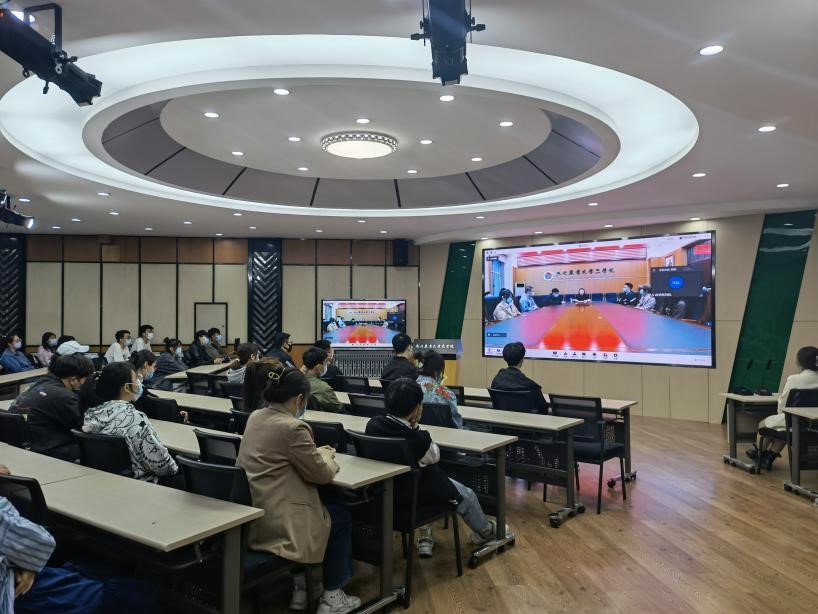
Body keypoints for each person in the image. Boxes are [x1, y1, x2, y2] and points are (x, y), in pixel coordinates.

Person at [237, 365, 361, 614]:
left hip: (256, 518)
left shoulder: (255, 417)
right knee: (340, 517)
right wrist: (327, 456)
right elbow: (322, 474)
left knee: (321, 511)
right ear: (300, 399)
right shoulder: (294, 428)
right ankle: (332, 596)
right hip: (284, 525)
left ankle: (303, 586)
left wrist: (314, 455)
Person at [366, 378, 513, 559]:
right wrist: (415, 426)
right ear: (416, 408)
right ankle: (486, 531)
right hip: (415, 496)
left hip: (387, 494)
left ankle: (425, 536)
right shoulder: (418, 439)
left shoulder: (373, 425)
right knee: (467, 495)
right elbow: (435, 456)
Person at [0, 465, 105, 614]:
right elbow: (39, 542)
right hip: (14, 591)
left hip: (17, 573)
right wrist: (28, 561)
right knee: (120, 592)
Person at [82, 362, 181, 486]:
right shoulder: (134, 418)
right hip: (139, 483)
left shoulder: (91, 413)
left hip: (105, 480)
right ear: (126, 387)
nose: (139, 382)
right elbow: (164, 466)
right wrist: (176, 467)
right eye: (136, 379)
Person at [9, 354, 95, 461]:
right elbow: (89, 426)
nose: (88, 384)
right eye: (87, 380)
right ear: (73, 380)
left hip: (27, 448)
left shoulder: (38, 384)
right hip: (49, 453)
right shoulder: (64, 396)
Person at [747, 346, 818, 470]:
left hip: (794, 420)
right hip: (812, 423)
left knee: (763, 424)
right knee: (782, 428)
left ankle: (759, 453)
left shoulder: (794, 379)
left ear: (800, 361)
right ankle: (769, 458)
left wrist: (780, 412)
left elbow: (784, 402)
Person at [490, 342, 548, 412]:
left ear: (505, 358)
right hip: (525, 419)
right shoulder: (532, 387)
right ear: (522, 359)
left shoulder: (496, 381)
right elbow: (544, 409)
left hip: (502, 418)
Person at [416, 350, 463, 429]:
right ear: (436, 372)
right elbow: (456, 423)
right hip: (445, 434)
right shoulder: (447, 394)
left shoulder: (409, 388)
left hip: (416, 432)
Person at [303, 347, 342, 413]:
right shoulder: (324, 388)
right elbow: (339, 410)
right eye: (326, 362)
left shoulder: (296, 382)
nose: (328, 364)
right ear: (318, 366)